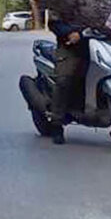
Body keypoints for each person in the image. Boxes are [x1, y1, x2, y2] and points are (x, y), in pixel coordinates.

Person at [46, 17, 85, 145]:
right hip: (70, 47)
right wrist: (70, 32)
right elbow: (54, 22)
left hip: (98, 43)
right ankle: (57, 122)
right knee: (64, 79)